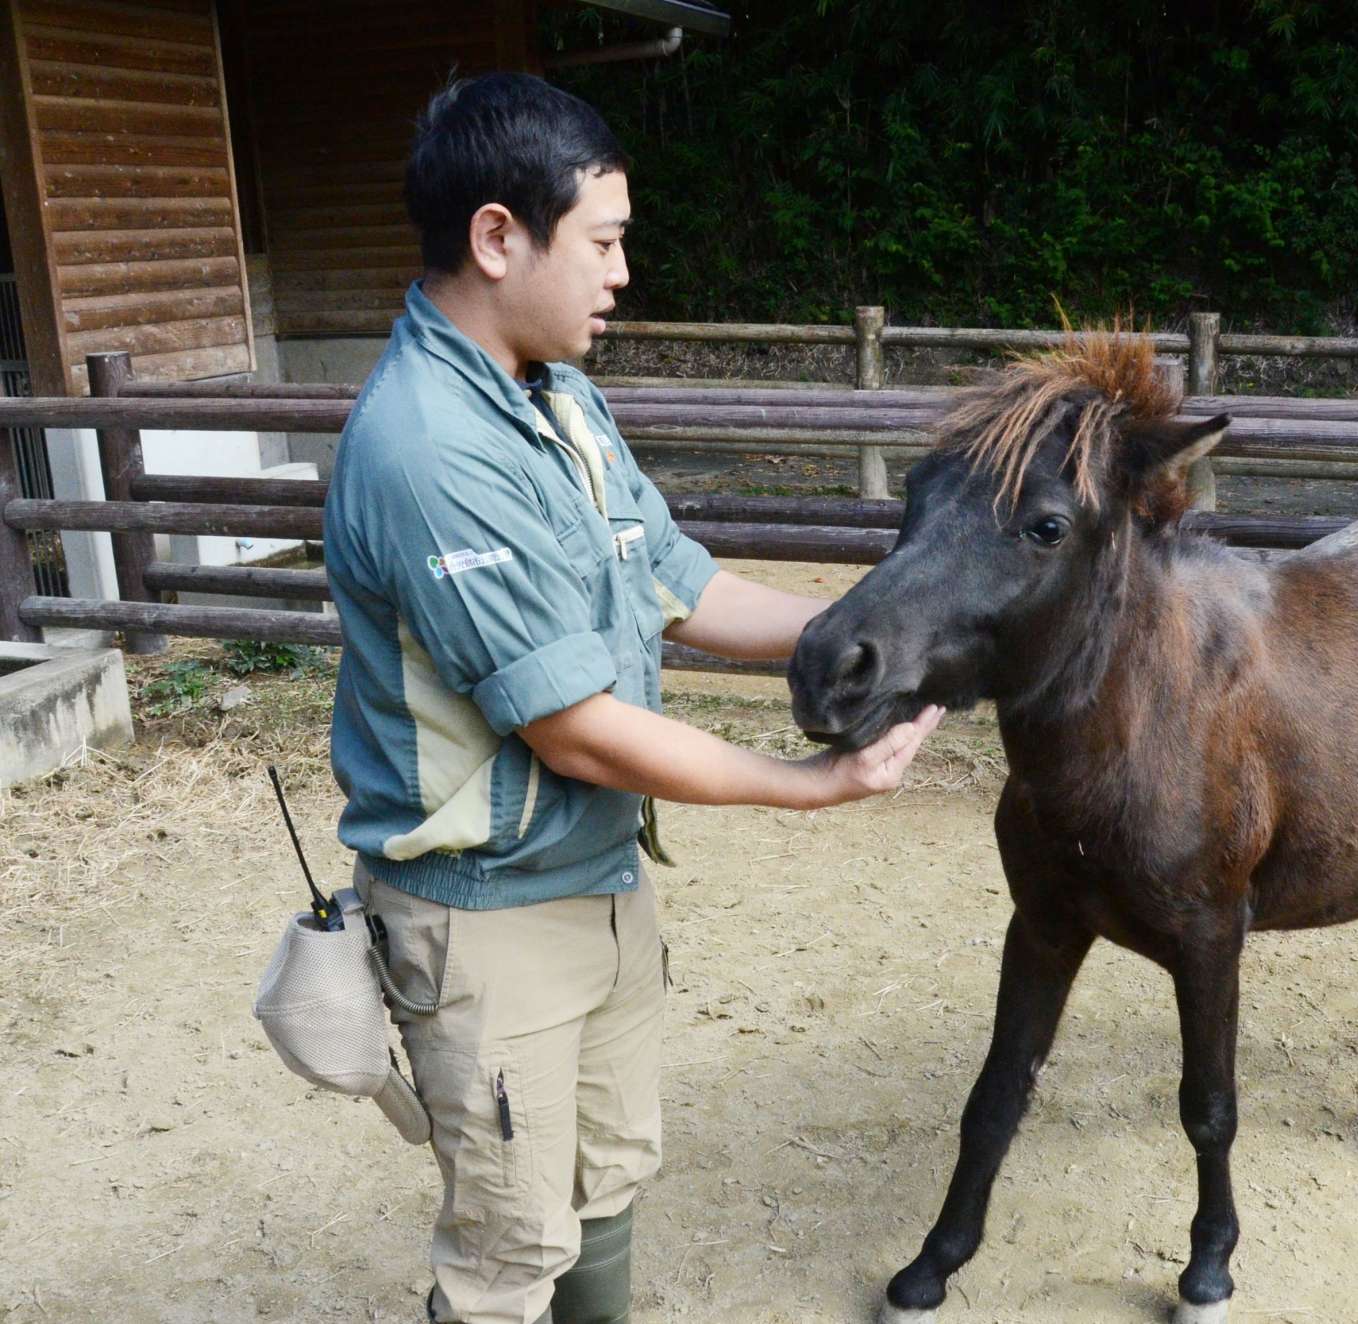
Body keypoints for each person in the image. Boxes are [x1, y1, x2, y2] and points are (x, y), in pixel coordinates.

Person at [322, 71, 941, 1324]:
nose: (619, 273)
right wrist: (808, 785)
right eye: (602, 242)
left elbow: (672, 577)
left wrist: (869, 637)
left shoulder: (559, 396)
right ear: (499, 238)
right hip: (489, 919)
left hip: (598, 882)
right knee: (505, 1249)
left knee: (602, 1185)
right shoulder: (429, 448)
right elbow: (574, 728)